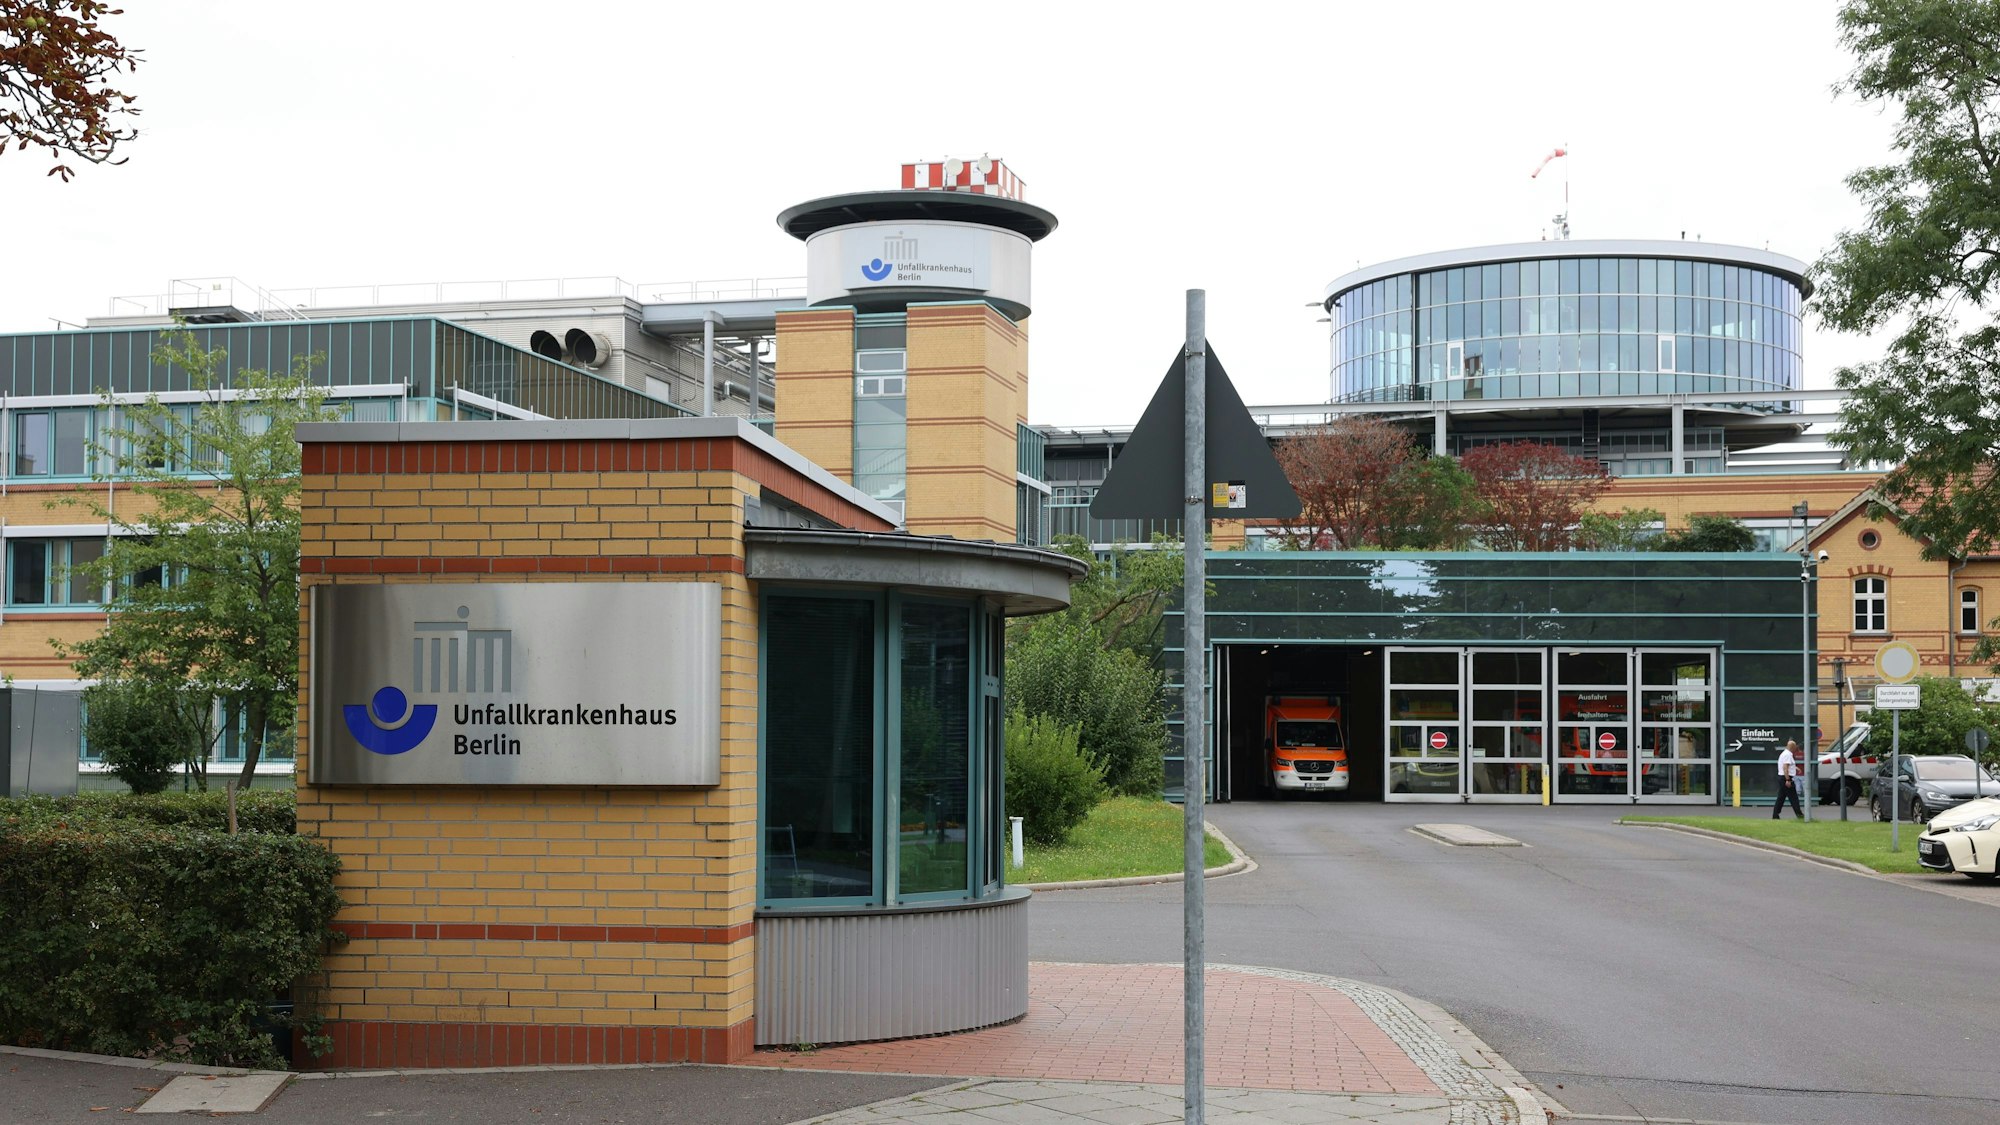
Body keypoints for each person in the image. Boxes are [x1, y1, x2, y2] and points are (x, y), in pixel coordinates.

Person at [1772, 739, 1805, 820]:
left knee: (1781, 798)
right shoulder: (1788, 755)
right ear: (1792, 747)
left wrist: (1795, 768)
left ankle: (1775, 815)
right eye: (1795, 747)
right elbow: (1785, 767)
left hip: (1782, 777)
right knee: (1793, 797)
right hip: (1786, 778)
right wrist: (1788, 780)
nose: (1796, 749)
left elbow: (1788, 765)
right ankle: (1799, 814)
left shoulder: (1784, 753)